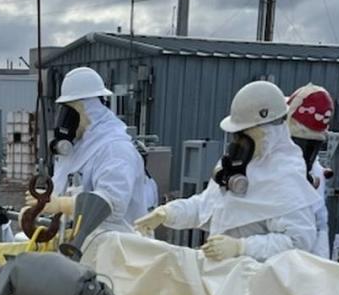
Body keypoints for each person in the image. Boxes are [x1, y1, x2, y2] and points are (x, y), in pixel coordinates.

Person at [135, 80, 319, 260]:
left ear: (269, 129)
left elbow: (299, 241)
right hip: (226, 279)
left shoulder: (285, 176)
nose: (238, 142)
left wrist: (242, 247)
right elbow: (206, 207)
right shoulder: (241, 164)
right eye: (237, 134)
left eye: (244, 133)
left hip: (260, 284)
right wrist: (167, 213)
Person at [26, 67, 144, 240]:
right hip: (81, 244)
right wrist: (43, 203)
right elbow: (65, 187)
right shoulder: (79, 146)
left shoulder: (115, 148)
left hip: (117, 250)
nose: (64, 120)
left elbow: (113, 206)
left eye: (69, 111)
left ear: (89, 109)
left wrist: (63, 204)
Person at [286, 83, 334, 259]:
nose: (304, 154)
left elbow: (320, 223)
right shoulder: (263, 162)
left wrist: (320, 267)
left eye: (312, 147)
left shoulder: (316, 173)